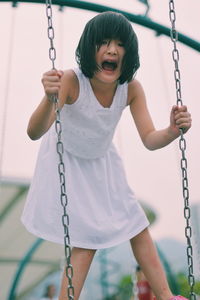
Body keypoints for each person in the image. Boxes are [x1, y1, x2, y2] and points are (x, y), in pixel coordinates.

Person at [21, 11, 192, 300]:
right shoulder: (71, 81)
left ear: (129, 53)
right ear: (89, 49)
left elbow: (150, 138)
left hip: (102, 162)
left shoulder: (131, 89)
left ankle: (166, 297)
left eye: (120, 44)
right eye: (103, 42)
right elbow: (34, 132)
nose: (112, 50)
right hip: (68, 160)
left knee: (137, 226)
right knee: (86, 241)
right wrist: (48, 97)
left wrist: (172, 131)